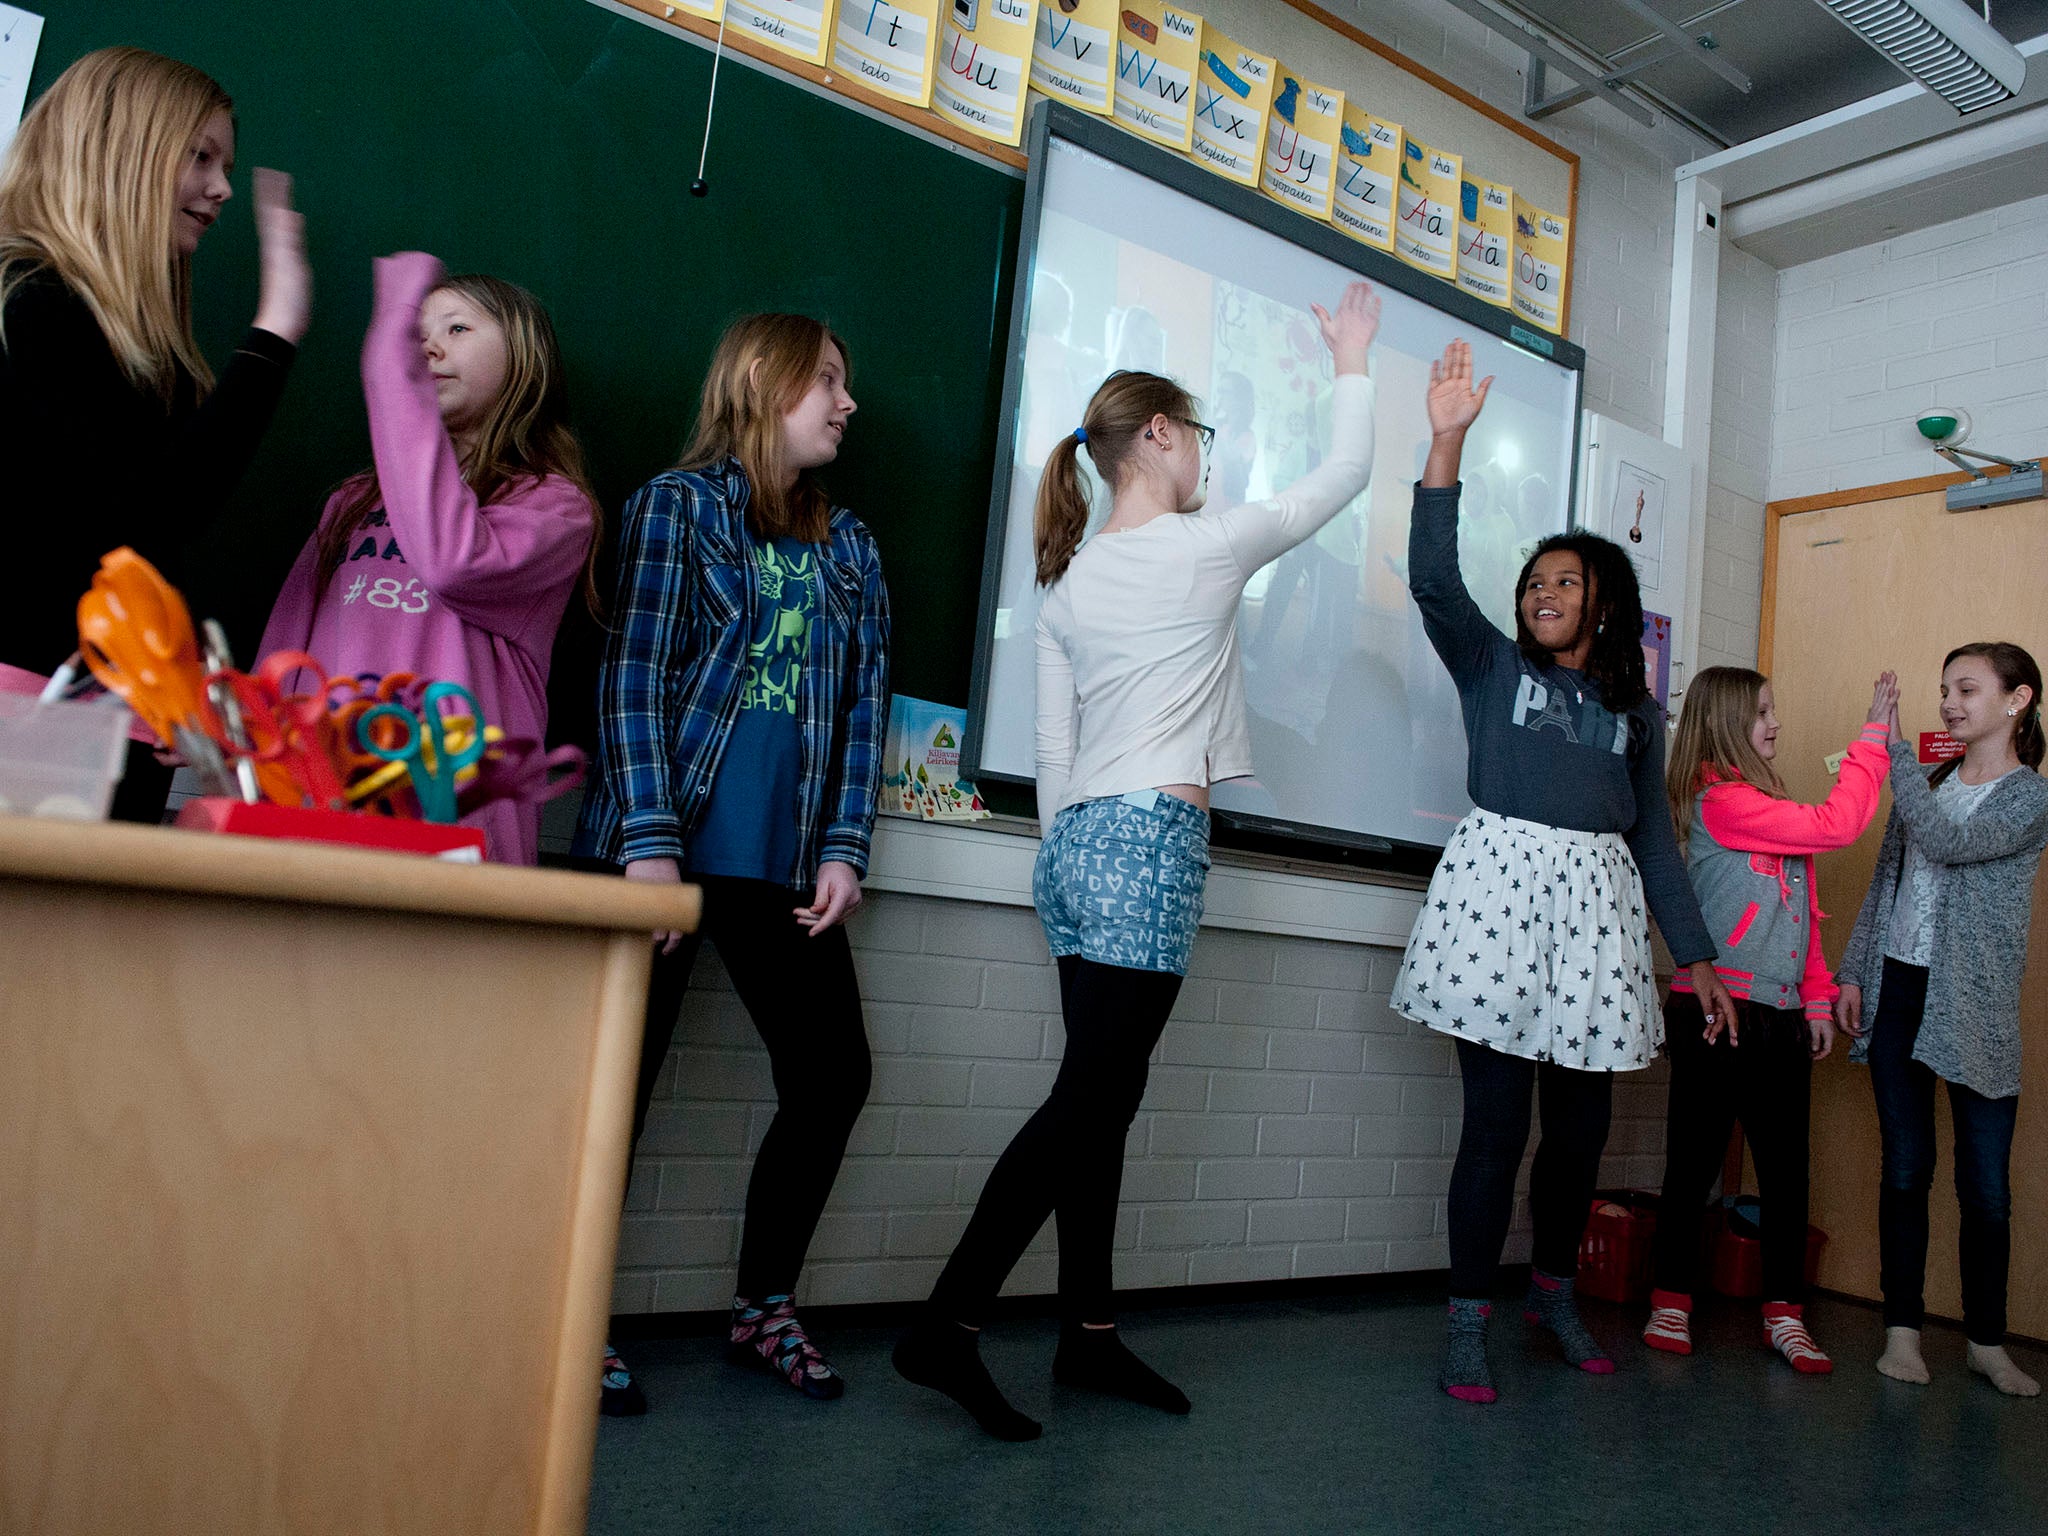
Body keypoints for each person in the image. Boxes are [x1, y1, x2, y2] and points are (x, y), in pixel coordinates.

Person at [894, 282, 1382, 1442]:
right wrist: (1352, 358)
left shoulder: (1064, 586)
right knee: (1091, 1100)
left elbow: (1055, 754)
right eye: (1198, 437)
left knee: (1100, 1102)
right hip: (1148, 846)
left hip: (1075, 852)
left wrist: (1068, 863)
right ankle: (947, 1324)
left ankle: (1088, 1335)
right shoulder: (1200, 549)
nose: (1207, 461)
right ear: (1157, 436)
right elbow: (1342, 479)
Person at [1392, 338, 1737, 1405]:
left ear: (1603, 603)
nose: (1543, 590)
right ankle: (1464, 1322)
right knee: (1493, 1127)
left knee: (1578, 1130)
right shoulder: (1489, 665)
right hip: (1496, 899)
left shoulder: (1634, 715)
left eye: (1564, 580)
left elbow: (1652, 845)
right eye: (1534, 579)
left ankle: (1550, 1291)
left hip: (1593, 914)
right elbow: (1432, 581)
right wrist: (1445, 439)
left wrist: (1700, 958)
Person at [575, 314, 888, 1411]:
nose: (846, 404)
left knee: (833, 1076)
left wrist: (844, 848)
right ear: (765, 383)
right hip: (656, 853)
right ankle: (569, 1320)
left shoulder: (850, 549)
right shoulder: (675, 508)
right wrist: (649, 846)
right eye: (828, 382)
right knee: (611, 1093)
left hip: (784, 865)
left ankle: (763, 1307)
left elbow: (861, 712)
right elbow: (631, 679)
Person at [0, 46, 310, 820]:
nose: (222, 189)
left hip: (84, 732)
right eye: (199, 156)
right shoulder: (29, 303)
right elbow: (138, 523)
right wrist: (273, 332)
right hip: (31, 734)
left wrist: (168, 668)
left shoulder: (131, 345)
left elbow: (121, 549)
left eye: (225, 163)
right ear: (120, 151)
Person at [259, 253, 599, 865]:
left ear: (525, 357)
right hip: (324, 801)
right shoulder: (351, 501)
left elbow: (453, 563)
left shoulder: (554, 507)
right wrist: (257, 743)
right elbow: (285, 654)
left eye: (457, 329)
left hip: (457, 817)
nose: (427, 350)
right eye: (414, 337)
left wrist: (393, 378)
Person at [1641, 665, 1895, 1371]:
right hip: (1715, 1013)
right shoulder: (1722, 802)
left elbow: (1801, 917)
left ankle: (1784, 1312)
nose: (1775, 724)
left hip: (1780, 1017)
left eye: (1773, 711)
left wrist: (1815, 999)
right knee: (1693, 1166)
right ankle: (1671, 1298)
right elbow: (1839, 824)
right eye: (1761, 714)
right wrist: (1874, 738)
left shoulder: (1767, 807)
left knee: (1786, 1172)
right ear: (1726, 727)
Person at [1837, 641, 2047, 1396]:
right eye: (1944, 690)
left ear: (2017, 701)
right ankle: (1902, 1331)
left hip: (1974, 1005)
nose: (1949, 703)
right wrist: (1855, 973)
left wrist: (1889, 754)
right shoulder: (1928, 779)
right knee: (1905, 1167)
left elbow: (1949, 842)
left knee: (1985, 1185)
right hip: (1897, 991)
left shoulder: (2030, 798)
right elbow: (1886, 885)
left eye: (1966, 689)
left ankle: (1988, 1344)